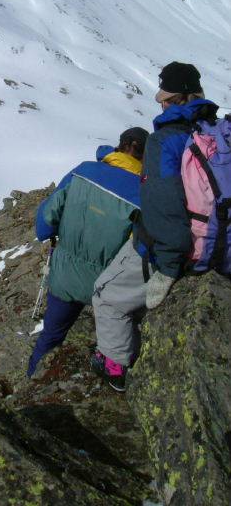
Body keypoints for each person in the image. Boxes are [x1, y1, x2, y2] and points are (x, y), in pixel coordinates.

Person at [91, 61, 219, 391]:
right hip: (218, 240)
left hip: (174, 249)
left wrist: (168, 268)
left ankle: (114, 366)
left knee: (106, 295)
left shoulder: (163, 141)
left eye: (163, 98)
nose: (160, 104)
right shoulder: (214, 130)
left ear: (171, 100)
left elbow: (164, 210)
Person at [27, 127, 149, 377]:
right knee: (119, 336)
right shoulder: (144, 193)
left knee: (50, 337)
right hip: (108, 286)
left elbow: (45, 221)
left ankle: (31, 383)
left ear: (120, 145)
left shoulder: (82, 172)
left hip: (65, 277)